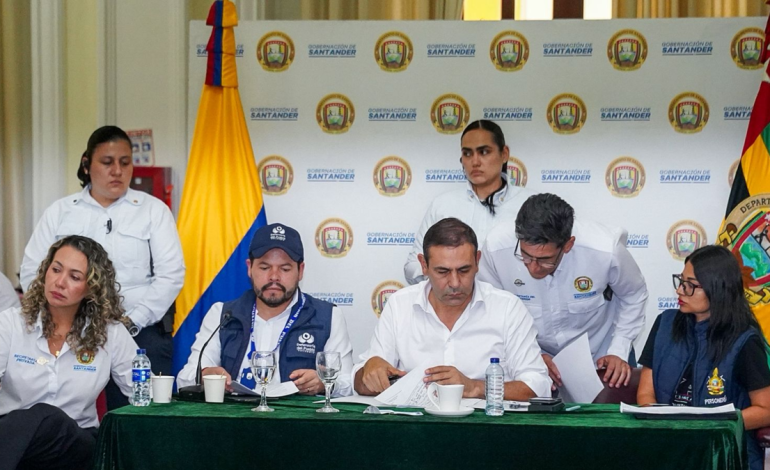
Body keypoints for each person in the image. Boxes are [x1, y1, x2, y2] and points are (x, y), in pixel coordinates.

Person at [19, 125, 184, 409]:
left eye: (125, 162)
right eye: (107, 162)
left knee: (145, 414)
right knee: (59, 412)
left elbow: (171, 275)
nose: (117, 171)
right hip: (69, 328)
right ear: (87, 164)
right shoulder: (61, 211)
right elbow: (33, 271)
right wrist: (63, 318)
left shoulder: (153, 210)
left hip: (139, 330)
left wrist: (132, 322)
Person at [355, 218, 550, 400]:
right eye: (443, 271)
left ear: (477, 261)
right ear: (423, 265)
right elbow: (359, 384)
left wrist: (475, 387)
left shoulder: (507, 308)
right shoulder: (400, 305)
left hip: (487, 424)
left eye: (464, 270)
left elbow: (538, 387)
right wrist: (370, 371)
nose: (455, 283)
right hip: (418, 424)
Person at [478, 193, 648, 390]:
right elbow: (493, 310)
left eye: (545, 260)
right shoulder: (496, 248)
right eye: (525, 255)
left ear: (568, 245)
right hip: (532, 359)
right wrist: (532, 355)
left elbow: (634, 294)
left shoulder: (604, 250)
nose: (533, 267)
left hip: (601, 355)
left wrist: (619, 349)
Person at [0, 236, 137, 470]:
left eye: (74, 277)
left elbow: (144, 392)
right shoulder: (11, 323)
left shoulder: (111, 333)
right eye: (56, 270)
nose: (60, 282)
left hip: (76, 445)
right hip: (15, 442)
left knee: (49, 417)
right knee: (34, 419)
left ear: (92, 288)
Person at [177, 223, 354, 397]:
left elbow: (348, 384)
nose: (274, 277)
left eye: (285, 269)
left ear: (300, 271)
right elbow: (184, 378)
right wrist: (205, 374)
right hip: (234, 414)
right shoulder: (223, 314)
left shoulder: (327, 316)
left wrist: (323, 382)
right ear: (249, 268)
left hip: (296, 415)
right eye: (264, 267)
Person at [637, 245, 770, 470]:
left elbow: (766, 410)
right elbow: (646, 393)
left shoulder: (744, 340)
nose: (680, 290)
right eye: (681, 281)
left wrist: (710, 426)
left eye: (690, 285)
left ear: (717, 289)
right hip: (669, 446)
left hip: (723, 453)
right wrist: (662, 426)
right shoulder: (664, 324)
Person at [404, 120, 534, 285]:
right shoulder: (443, 205)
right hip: (453, 299)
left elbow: (548, 262)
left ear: (504, 154)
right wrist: (444, 276)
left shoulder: (530, 205)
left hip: (511, 299)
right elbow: (413, 266)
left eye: (484, 152)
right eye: (467, 153)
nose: (475, 162)